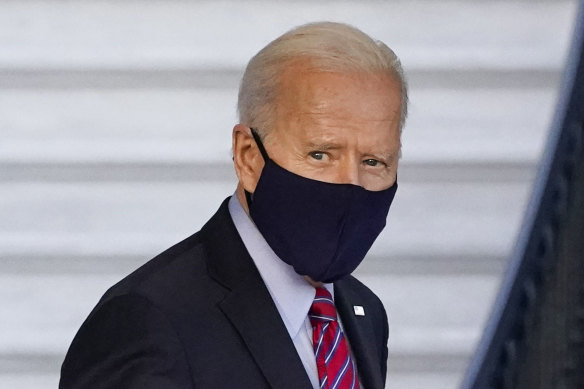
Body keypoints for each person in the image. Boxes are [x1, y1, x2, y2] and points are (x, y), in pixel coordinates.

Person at [60, 21, 407, 389]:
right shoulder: (149, 321)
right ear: (248, 157)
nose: (349, 183)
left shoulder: (363, 313)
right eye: (319, 154)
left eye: (374, 161)